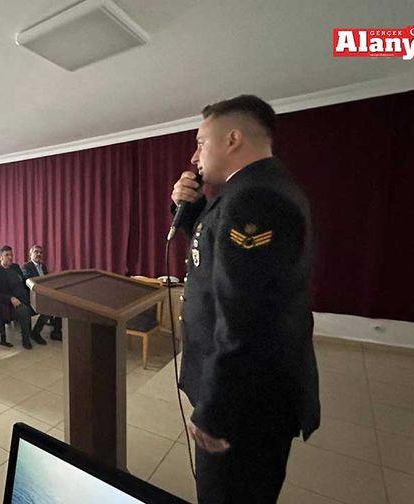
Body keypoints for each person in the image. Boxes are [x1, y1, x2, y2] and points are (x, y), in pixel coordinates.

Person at [169, 94, 319, 503]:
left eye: (201, 142)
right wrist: (190, 208)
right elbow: (212, 258)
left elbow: (244, 318)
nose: (195, 155)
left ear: (232, 139)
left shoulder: (254, 199)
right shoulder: (251, 189)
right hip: (250, 390)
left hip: (244, 402)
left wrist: (216, 411)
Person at [0, 246, 45, 349]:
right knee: (25, 311)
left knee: (47, 306)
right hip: (11, 303)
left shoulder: (15, 267)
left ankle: (35, 332)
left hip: (26, 297)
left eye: (11, 255)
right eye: (7, 255)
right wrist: (10, 298)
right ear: (0, 257)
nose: (10, 257)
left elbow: (24, 282)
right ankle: (26, 339)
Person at [21, 244, 62, 340]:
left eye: (40, 252)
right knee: (49, 308)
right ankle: (35, 332)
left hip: (44, 294)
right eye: (36, 252)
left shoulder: (43, 266)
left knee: (60, 303)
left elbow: (47, 280)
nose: (39, 254)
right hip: (32, 295)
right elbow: (29, 281)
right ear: (30, 254)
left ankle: (56, 332)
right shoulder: (26, 266)